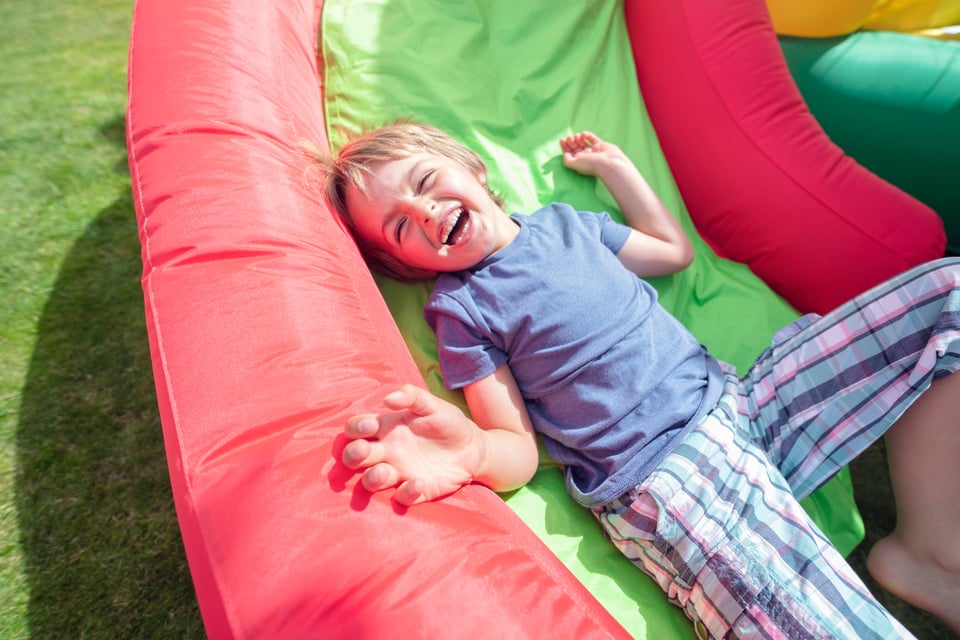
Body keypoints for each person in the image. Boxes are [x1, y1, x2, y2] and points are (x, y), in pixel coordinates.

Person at [314, 122, 960, 639]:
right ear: (406, 266)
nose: (424, 210)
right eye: (401, 226)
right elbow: (513, 445)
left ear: (474, 170)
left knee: (948, 294)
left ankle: (928, 552)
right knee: (805, 613)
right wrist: (474, 449)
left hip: (741, 403)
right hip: (666, 476)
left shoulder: (567, 224)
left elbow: (670, 253)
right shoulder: (462, 310)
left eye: (427, 182)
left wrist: (618, 170)